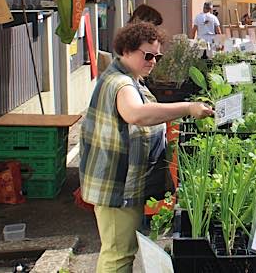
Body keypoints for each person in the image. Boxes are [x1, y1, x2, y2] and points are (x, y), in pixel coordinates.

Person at [80, 22, 213, 272]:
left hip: (121, 180)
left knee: (121, 249)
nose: (153, 61)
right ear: (126, 50)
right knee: (118, 254)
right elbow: (137, 114)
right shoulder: (120, 83)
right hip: (116, 183)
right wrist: (187, 107)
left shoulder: (129, 77)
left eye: (157, 56)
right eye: (148, 55)